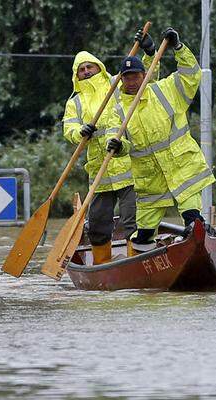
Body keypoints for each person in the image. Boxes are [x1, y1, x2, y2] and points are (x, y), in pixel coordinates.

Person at [106, 27, 215, 252]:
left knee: (192, 219)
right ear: (121, 80)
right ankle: (144, 266)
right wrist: (117, 146)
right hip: (150, 179)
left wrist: (178, 47)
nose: (132, 81)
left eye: (135, 75)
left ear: (144, 74)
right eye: (127, 78)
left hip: (182, 166)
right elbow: (116, 138)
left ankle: (196, 246)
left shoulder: (164, 89)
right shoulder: (118, 111)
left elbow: (191, 74)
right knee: (144, 234)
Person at [62, 30, 160, 264]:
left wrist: (149, 51)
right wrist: (80, 132)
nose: (86, 72)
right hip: (100, 173)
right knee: (97, 225)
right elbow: (69, 130)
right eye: (81, 69)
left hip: (128, 168)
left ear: (98, 67)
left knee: (132, 222)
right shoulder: (74, 102)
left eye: (90, 67)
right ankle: (102, 267)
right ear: (76, 75)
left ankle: (135, 264)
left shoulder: (116, 85)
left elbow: (145, 77)